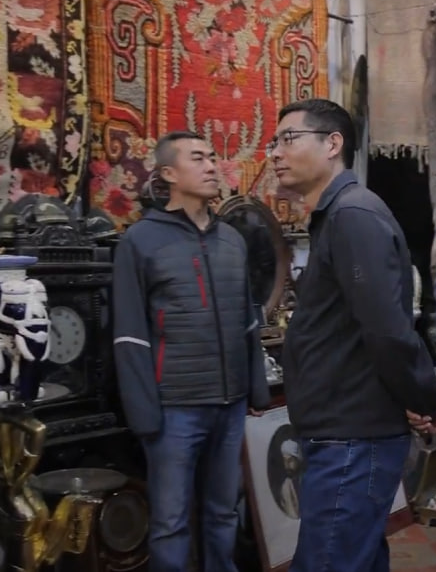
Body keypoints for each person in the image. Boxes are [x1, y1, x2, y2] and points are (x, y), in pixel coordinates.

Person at [272, 98, 436, 572]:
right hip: (343, 428)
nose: (275, 152)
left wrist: (425, 397)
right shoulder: (340, 214)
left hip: (352, 435)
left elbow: (388, 329)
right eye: (274, 142)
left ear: (333, 144)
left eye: (289, 139)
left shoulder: (353, 215)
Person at [112, 130, 270, 572]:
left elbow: (249, 319)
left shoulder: (233, 241)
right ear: (168, 174)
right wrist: (145, 414)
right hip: (174, 408)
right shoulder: (140, 242)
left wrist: (255, 391)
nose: (211, 165)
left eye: (213, 157)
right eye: (197, 158)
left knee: (224, 512)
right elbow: (128, 335)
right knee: (170, 522)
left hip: (230, 403)